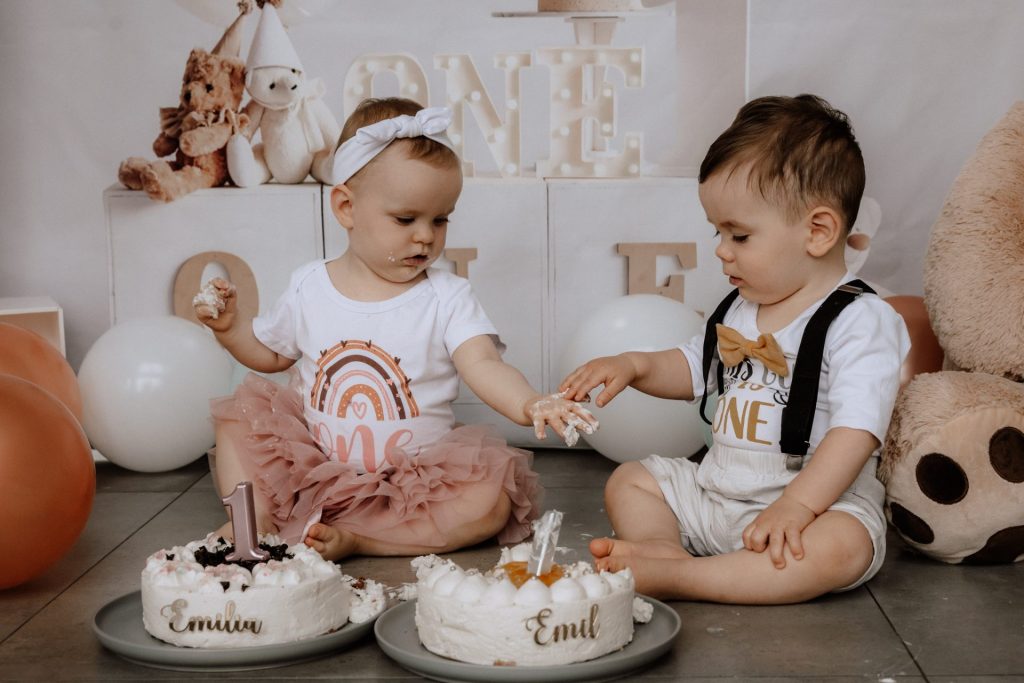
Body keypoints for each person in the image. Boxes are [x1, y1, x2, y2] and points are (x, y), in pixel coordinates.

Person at [195, 97, 596, 561]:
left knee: (491, 499)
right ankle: (254, 519)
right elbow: (271, 355)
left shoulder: (447, 297)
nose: (425, 235)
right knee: (238, 422)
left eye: (440, 219)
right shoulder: (310, 285)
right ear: (346, 207)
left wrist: (529, 402)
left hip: (412, 481)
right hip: (313, 464)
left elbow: (483, 363)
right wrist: (231, 329)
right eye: (406, 219)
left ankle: (363, 538)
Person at [560, 94, 910, 604]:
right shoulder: (741, 308)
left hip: (807, 504)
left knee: (843, 547)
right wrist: (633, 364)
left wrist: (798, 506)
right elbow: (690, 366)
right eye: (718, 231)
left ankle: (686, 579)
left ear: (818, 231)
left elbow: (856, 432)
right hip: (716, 491)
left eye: (739, 235)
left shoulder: (860, 319)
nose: (721, 250)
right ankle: (663, 550)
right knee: (632, 479)